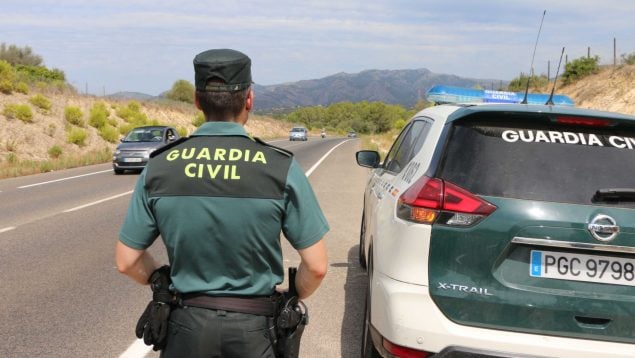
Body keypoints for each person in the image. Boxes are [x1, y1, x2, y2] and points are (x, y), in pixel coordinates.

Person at [115, 48, 329, 357]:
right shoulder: (280, 167)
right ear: (249, 100)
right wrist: (292, 295)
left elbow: (126, 261)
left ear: (197, 101)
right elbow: (317, 267)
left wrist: (158, 278)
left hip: (185, 327)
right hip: (257, 331)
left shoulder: (160, 166)